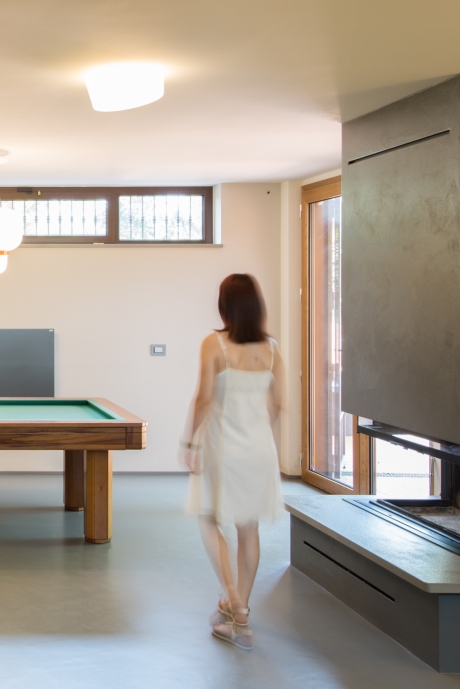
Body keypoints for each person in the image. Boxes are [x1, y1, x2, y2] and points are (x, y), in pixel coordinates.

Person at [181, 273, 285, 651]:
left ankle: (233, 599)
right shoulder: (272, 349)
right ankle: (241, 615)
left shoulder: (214, 344)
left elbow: (204, 398)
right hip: (259, 450)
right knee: (248, 529)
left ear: (225, 306)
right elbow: (277, 404)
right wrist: (258, 432)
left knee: (208, 518)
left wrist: (189, 439)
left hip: (222, 446)